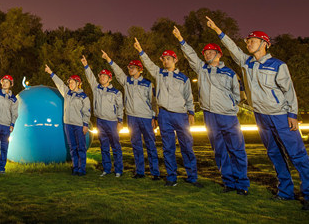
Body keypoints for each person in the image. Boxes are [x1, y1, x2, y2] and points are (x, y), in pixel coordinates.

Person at [206, 16, 309, 210]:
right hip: (261, 117)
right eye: (247, 41)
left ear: (265, 44)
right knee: (275, 155)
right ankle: (285, 192)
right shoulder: (247, 63)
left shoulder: (278, 65)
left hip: (281, 116)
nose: (248, 43)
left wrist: (293, 114)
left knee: (297, 155)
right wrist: (217, 30)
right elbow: (232, 48)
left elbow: (289, 91)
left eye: (252, 40)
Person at [172, 26, 249, 195]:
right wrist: (180, 39)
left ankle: (242, 183)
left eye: (210, 52)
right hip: (210, 116)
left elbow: (237, 94)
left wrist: (230, 106)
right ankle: (228, 182)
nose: (207, 55)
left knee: (236, 149)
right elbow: (191, 55)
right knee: (219, 150)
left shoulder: (229, 73)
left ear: (219, 54)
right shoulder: (202, 69)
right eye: (205, 53)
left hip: (228, 116)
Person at [134, 38, 199, 187]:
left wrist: (191, 113)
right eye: (163, 59)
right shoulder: (159, 74)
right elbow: (149, 64)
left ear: (175, 60)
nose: (165, 61)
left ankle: (192, 177)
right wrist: (140, 51)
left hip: (180, 114)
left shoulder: (183, 78)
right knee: (168, 147)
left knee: (186, 146)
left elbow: (189, 97)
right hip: (164, 115)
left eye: (168, 58)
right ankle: (171, 177)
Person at [101, 50, 161, 180]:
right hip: (132, 118)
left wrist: (154, 117)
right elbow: (118, 72)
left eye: (133, 67)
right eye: (129, 68)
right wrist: (108, 59)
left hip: (146, 118)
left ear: (140, 69)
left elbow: (153, 102)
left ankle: (155, 173)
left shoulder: (148, 83)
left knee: (150, 145)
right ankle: (140, 171)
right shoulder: (126, 81)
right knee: (136, 145)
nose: (130, 69)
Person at [81, 54, 124, 177]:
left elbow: (120, 107)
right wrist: (86, 65)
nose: (102, 77)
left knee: (115, 146)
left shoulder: (116, 92)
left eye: (105, 76)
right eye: (101, 76)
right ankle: (106, 169)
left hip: (112, 122)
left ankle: (118, 170)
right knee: (104, 146)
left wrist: (120, 121)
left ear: (110, 79)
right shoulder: (96, 88)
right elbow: (90, 78)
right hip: (100, 121)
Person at [45, 64, 91, 176]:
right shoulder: (67, 93)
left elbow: (87, 112)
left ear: (78, 83)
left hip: (79, 125)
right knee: (72, 147)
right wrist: (51, 73)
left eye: (72, 82)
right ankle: (75, 168)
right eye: (69, 82)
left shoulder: (84, 97)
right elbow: (59, 83)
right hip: (68, 125)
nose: (70, 84)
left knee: (81, 147)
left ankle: (82, 169)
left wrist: (85, 125)